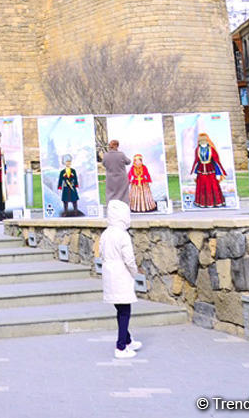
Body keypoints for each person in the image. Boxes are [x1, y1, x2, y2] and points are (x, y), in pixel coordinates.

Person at [100, 200, 142, 359]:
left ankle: (128, 339)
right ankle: (121, 346)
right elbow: (129, 258)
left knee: (120, 309)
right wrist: (134, 271)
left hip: (109, 274)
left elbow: (101, 254)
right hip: (121, 274)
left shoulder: (106, 233)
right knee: (125, 311)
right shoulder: (122, 235)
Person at [190, 133, 226, 208]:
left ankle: (215, 202)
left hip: (211, 170)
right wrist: (194, 172)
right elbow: (196, 161)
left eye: (204, 140)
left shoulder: (211, 149)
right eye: (201, 140)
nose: (202, 141)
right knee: (202, 187)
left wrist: (218, 173)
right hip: (201, 171)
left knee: (212, 186)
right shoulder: (197, 149)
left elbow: (216, 162)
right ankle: (202, 203)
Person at [102, 139, 131, 204]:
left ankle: (111, 209)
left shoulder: (106, 155)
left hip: (110, 179)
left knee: (111, 194)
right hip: (122, 179)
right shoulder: (121, 154)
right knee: (123, 195)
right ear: (117, 146)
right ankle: (123, 209)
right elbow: (128, 162)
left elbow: (103, 164)